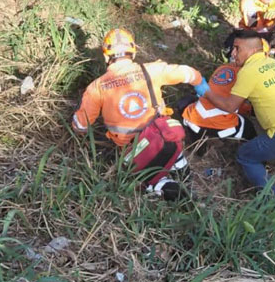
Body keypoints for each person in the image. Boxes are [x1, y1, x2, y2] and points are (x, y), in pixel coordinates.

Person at [199, 29, 275, 210]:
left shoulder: (248, 72)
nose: (233, 54)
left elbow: (229, 107)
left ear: (251, 50)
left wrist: (205, 91)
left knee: (246, 156)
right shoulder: (272, 62)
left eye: (237, 48)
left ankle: (274, 204)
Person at [72, 28, 201, 200]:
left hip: (133, 151)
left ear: (106, 56)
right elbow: (188, 73)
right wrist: (201, 85)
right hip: (164, 138)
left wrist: (75, 122)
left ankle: (168, 189)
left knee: (148, 181)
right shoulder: (152, 70)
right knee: (174, 152)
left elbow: (81, 126)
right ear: (133, 52)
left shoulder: (97, 87)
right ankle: (181, 171)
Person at [180, 63, 256, 143]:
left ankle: (199, 148)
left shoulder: (223, 67)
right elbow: (232, 105)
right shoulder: (247, 75)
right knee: (248, 127)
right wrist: (250, 110)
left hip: (193, 118)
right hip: (220, 123)